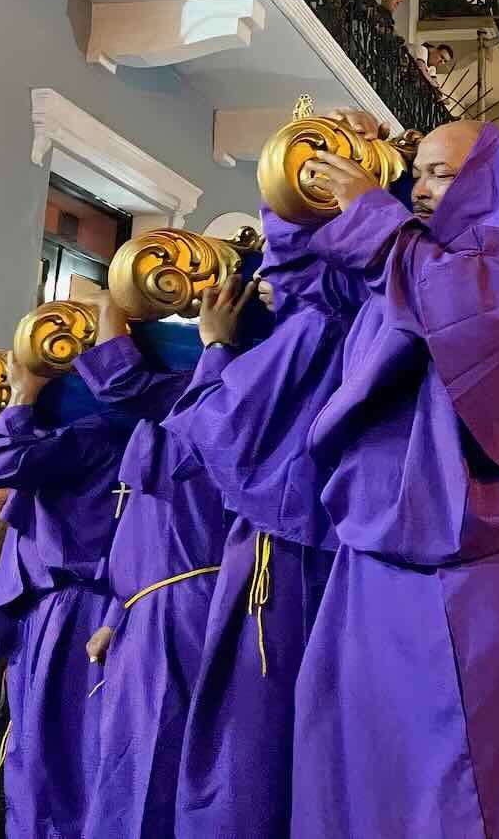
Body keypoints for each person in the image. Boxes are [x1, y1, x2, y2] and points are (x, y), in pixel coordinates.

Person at [290, 120, 499, 837]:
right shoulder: (402, 255)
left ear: (489, 179)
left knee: (495, 771)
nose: (418, 186)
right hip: (381, 549)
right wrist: (309, 175)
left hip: (496, 560)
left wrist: (377, 221)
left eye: (441, 173)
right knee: (379, 756)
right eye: (417, 171)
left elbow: (467, 316)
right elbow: (306, 284)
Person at [160, 209, 366, 837]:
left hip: (280, 562)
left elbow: (209, 434)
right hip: (326, 555)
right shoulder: (350, 315)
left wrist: (218, 346)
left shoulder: (315, 324)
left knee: (252, 741)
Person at [73, 296, 238, 839]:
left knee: (170, 772)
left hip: (191, 608)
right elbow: (141, 538)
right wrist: (117, 615)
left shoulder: (217, 392)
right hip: (143, 616)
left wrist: (215, 346)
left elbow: (121, 381)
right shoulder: (170, 406)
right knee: (125, 773)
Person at [0, 305, 135, 837]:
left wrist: (23, 392)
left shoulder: (93, 432)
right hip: (67, 607)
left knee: (58, 762)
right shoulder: (100, 434)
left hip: (73, 608)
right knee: (49, 758)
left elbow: (0, 462)